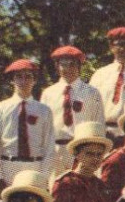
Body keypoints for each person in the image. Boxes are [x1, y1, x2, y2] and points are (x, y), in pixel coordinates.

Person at [0, 58, 55, 195]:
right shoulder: (0, 108)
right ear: (12, 80)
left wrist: (45, 176)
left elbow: (49, 146)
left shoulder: (44, 110)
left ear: (34, 80)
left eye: (28, 77)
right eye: (19, 77)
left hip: (35, 166)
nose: (23, 81)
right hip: (8, 166)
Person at [41, 46, 105, 179]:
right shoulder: (48, 93)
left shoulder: (91, 93)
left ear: (79, 66)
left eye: (73, 64)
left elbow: (98, 123)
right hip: (55, 150)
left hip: (81, 150)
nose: (68, 69)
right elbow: (43, 127)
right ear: (57, 67)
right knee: (55, 189)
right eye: (63, 65)